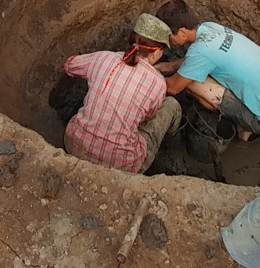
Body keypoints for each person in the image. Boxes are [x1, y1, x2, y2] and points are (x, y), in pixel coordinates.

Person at [152, 0, 260, 142]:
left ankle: (245, 128)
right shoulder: (210, 28)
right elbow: (198, 60)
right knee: (194, 71)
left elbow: (173, 87)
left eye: (169, 37)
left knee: (189, 83)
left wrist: (145, 76)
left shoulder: (202, 50)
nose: (168, 42)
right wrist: (167, 66)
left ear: (181, 32)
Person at [63, 14, 182, 174]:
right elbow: (148, 116)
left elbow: (69, 65)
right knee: (171, 105)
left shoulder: (102, 58)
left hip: (75, 146)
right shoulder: (158, 83)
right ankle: (173, 142)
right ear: (156, 53)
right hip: (121, 166)